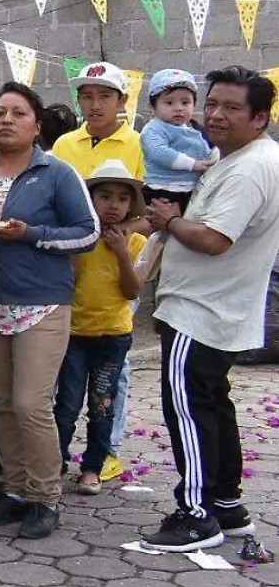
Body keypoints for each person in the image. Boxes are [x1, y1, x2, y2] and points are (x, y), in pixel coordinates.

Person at [142, 67, 279, 551]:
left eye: (232, 108)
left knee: (190, 409)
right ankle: (226, 504)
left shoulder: (250, 168)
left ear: (260, 117)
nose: (216, 115)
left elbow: (215, 239)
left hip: (199, 311)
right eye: (213, 104)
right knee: (212, 405)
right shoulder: (239, 157)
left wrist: (170, 221)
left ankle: (196, 515)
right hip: (214, 309)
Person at [0, 85, 98, 541]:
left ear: (36, 125)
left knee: (30, 404)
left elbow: (87, 234)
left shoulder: (57, 172)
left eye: (18, 113)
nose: (6, 119)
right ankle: (16, 492)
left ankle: (46, 498)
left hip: (43, 303)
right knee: (1, 404)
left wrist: (31, 234)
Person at [49, 62, 145, 484]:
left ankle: (104, 454)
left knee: (111, 379)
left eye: (104, 96)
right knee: (66, 386)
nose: (94, 104)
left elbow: (153, 211)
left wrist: (120, 236)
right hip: (73, 270)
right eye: (87, 96)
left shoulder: (140, 145)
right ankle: (55, 459)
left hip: (119, 263)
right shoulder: (64, 145)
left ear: (122, 101)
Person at [141, 68, 212, 210]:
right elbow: (159, 152)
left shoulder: (193, 130)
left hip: (190, 189)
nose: (178, 108)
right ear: (152, 106)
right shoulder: (154, 129)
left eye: (185, 103)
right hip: (164, 190)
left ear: (195, 104)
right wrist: (193, 165)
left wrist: (213, 158)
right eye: (169, 103)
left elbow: (205, 151)